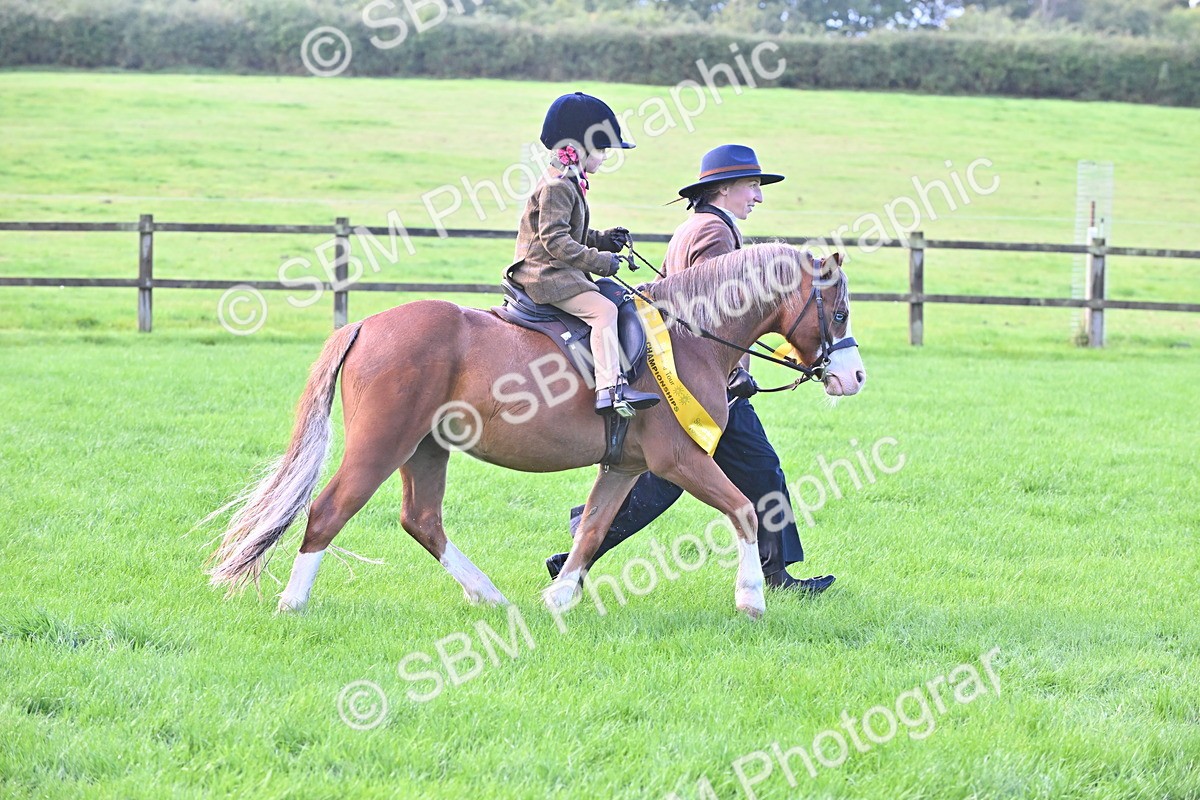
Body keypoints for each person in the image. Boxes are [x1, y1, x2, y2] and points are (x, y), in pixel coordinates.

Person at [545, 144, 836, 594]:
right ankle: (580, 545)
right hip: (694, 381)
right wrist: (735, 374)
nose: (757, 197)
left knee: (687, 474)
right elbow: (715, 311)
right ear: (723, 188)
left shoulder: (695, 227)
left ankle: (579, 550)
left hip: (688, 374)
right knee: (738, 470)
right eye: (752, 186)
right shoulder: (714, 235)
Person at [505, 92, 659, 417]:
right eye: (601, 149)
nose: (604, 157)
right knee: (604, 311)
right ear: (578, 148)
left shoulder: (567, 182)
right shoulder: (559, 186)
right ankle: (610, 390)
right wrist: (600, 262)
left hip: (554, 269)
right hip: (545, 276)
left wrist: (604, 240)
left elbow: (571, 232)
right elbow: (556, 241)